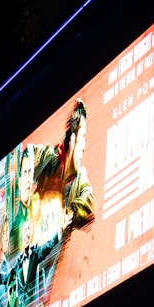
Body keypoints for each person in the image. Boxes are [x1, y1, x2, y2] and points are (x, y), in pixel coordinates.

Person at [34, 98, 96, 231]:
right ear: (73, 140)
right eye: (83, 137)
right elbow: (26, 159)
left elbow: (88, 202)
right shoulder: (47, 157)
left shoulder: (79, 178)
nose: (84, 147)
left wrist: (71, 214)